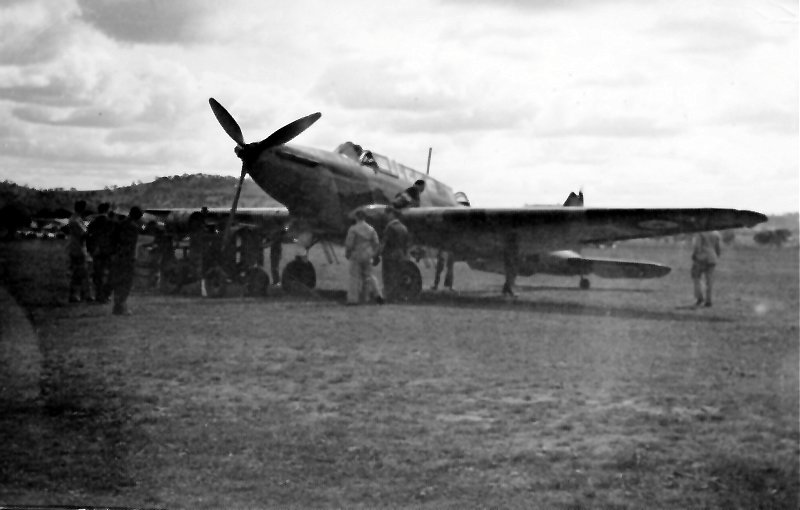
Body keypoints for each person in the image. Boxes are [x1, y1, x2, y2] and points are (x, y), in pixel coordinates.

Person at [344, 209, 383, 305]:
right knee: (369, 276)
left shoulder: (353, 229)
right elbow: (376, 243)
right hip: (368, 254)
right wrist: (374, 254)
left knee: (354, 277)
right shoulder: (371, 229)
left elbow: (349, 244)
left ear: (356, 217)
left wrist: (348, 253)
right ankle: (377, 295)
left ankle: (353, 299)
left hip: (356, 254)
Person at [109, 206, 144, 315]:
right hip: (128, 258)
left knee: (118, 281)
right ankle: (122, 305)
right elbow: (130, 245)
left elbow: (113, 240)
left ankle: (117, 305)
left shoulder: (120, 224)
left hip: (118, 257)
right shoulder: (133, 227)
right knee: (126, 282)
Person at [86, 202, 115, 303]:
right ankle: (105, 295)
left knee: (98, 274)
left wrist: (91, 249)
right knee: (109, 274)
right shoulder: (110, 222)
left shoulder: (93, 223)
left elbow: (88, 237)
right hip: (107, 251)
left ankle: (99, 295)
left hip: (96, 251)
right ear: (107, 210)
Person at [379, 207, 410, 301]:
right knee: (398, 274)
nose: (386, 216)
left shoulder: (390, 227)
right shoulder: (404, 228)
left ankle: (390, 295)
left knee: (388, 275)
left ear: (392, 214)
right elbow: (406, 244)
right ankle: (399, 294)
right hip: (401, 254)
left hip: (390, 254)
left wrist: (378, 253)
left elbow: (385, 242)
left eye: (387, 214)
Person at [66, 200, 92, 303]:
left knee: (77, 272)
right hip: (78, 249)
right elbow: (83, 234)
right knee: (81, 272)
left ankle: (76, 295)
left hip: (75, 248)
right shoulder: (75, 220)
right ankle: (82, 295)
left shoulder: (74, 219)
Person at [691, 230, 722, 307]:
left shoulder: (700, 233)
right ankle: (709, 300)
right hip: (712, 258)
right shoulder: (716, 233)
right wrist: (716, 256)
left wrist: (694, 255)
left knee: (696, 278)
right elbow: (718, 248)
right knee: (709, 281)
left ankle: (699, 298)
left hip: (701, 258)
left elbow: (697, 247)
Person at [502, 232, 520, 297]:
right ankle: (509, 287)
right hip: (511, 257)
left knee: (512, 269)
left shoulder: (511, 246)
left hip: (510, 256)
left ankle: (508, 286)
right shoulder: (513, 247)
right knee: (512, 269)